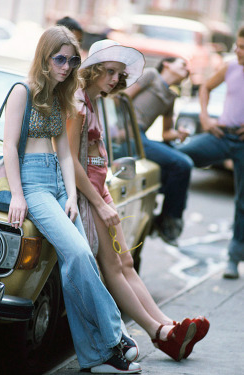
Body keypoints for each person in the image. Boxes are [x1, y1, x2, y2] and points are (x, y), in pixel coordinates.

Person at [3, 26, 143, 374]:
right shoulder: (23, 90)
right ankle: (116, 336)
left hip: (58, 184)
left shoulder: (59, 96)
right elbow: (8, 146)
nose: (66, 67)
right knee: (79, 252)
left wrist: (69, 194)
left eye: (72, 60)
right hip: (34, 184)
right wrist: (19, 194)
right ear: (45, 57)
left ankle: (95, 356)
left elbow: (66, 153)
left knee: (79, 266)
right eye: (59, 59)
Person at [67, 39, 210, 363]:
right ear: (95, 69)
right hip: (89, 196)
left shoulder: (94, 102)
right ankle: (158, 334)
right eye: (111, 72)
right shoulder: (77, 102)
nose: (116, 80)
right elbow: (71, 162)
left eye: (120, 74)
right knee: (113, 267)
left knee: (127, 263)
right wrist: (99, 203)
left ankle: (167, 326)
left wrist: (105, 195)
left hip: (102, 190)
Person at [178, 26, 244, 280]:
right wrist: (205, 118)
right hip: (221, 134)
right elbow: (204, 87)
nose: (237, 51)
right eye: (237, 45)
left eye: (242, 48)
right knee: (180, 157)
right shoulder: (230, 66)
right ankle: (170, 217)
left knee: (242, 203)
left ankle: (233, 258)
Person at [125, 57, 193, 246]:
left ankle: (166, 218)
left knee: (184, 163)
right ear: (167, 64)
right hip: (130, 135)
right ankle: (169, 222)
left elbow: (166, 132)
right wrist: (121, 129)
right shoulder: (151, 75)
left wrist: (178, 134)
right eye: (183, 64)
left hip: (142, 137)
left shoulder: (171, 96)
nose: (187, 69)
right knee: (182, 163)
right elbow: (123, 98)